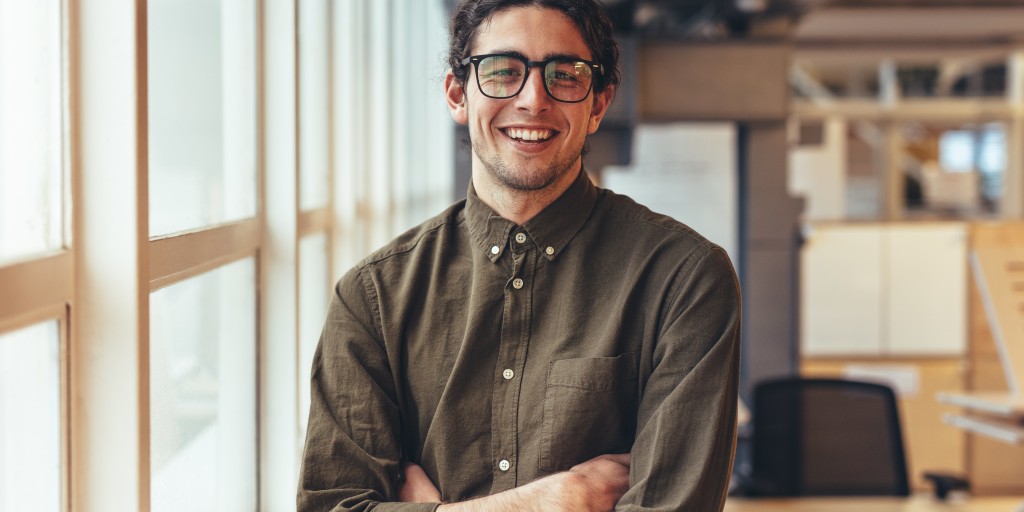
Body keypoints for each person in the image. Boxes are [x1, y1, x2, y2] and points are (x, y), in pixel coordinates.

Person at [297, 0, 741, 510]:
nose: (533, 99)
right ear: (457, 94)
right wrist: (560, 497)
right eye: (503, 71)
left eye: (566, 74)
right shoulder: (373, 297)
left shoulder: (683, 281)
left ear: (598, 104)